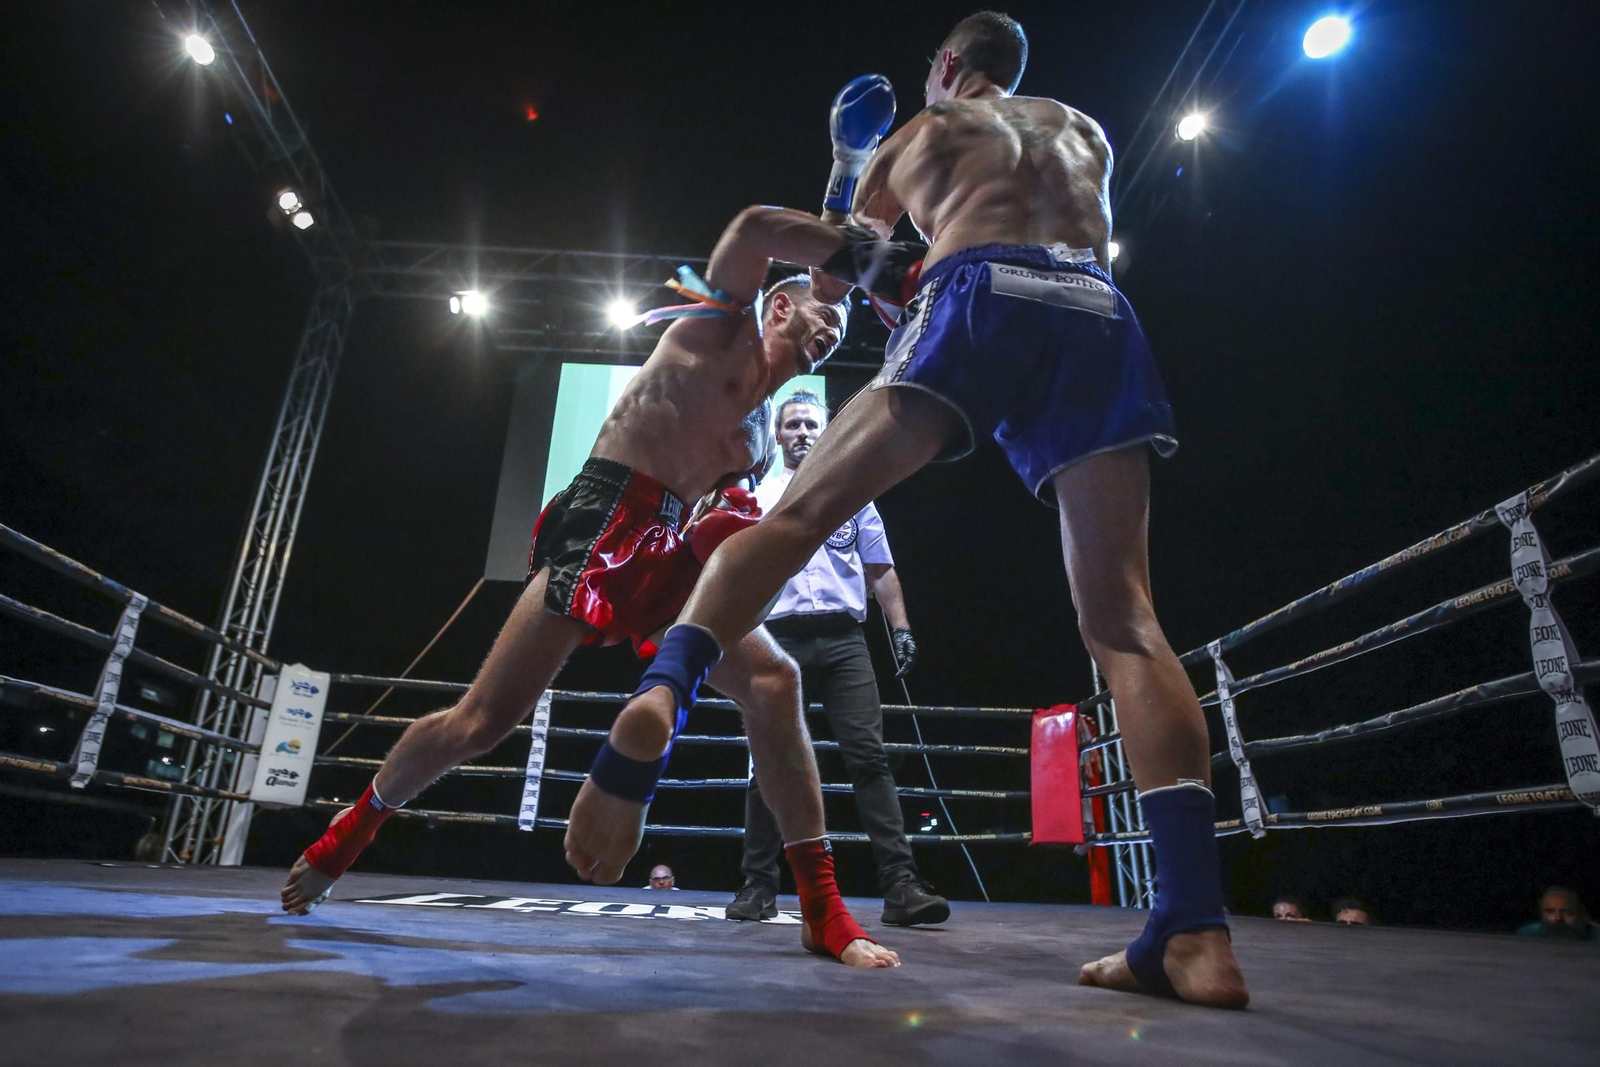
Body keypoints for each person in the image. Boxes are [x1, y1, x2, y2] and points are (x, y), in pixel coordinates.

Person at [581, 12, 1248, 1007]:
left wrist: (848, 168)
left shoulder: (924, 131)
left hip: (977, 287)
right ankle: (1195, 930)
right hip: (1098, 309)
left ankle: (659, 700)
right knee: (1126, 622)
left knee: (794, 518)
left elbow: (838, 268)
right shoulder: (1084, 132)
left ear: (944, 68)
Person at [280, 206, 900, 969]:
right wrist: (853, 254)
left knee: (775, 681)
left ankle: (821, 907)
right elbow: (749, 230)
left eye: (842, 325)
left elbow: (725, 543)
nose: (834, 328)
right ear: (779, 305)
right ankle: (351, 832)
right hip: (605, 518)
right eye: (824, 312)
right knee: (482, 721)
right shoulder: (717, 331)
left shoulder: (758, 439)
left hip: (671, 546)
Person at [726, 391, 948, 927]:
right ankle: (758, 886)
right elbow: (734, 572)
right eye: (793, 425)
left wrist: (901, 629)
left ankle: (900, 885)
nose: (802, 433)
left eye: (811, 425)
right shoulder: (757, 499)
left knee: (869, 757)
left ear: (825, 433)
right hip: (777, 639)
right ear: (777, 435)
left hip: (844, 639)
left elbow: (880, 568)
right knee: (768, 763)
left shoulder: (854, 492)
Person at [1516, 887, 1598, 941]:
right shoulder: (1528, 934)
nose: (1558, 918)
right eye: (1550, 911)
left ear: (1581, 915)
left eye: (1567, 912)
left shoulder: (1596, 936)